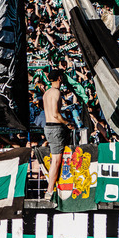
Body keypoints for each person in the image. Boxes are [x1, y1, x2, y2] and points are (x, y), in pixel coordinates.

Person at [43, 69, 75, 197]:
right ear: (60, 78)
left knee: (55, 159)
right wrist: (67, 123)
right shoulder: (56, 93)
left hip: (48, 127)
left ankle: (51, 188)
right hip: (56, 127)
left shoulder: (46, 93)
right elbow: (56, 114)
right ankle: (50, 190)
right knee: (56, 160)